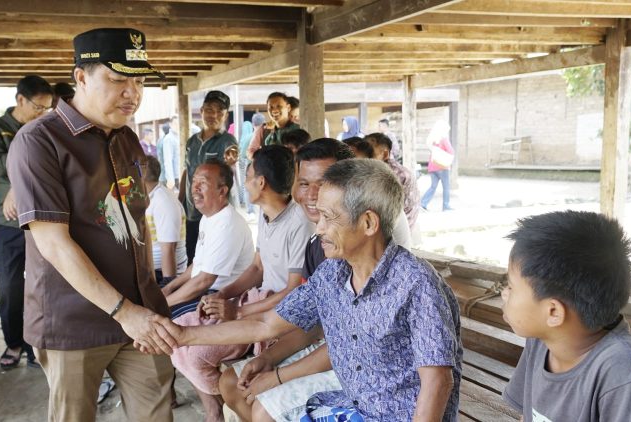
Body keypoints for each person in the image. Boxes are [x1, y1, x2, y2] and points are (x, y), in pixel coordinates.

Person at [149, 158, 461, 421]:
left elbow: (436, 382)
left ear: (368, 223)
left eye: (329, 217)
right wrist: (182, 336)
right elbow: (265, 324)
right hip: (356, 405)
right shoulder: (335, 273)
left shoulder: (417, 284)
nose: (320, 227)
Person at [6, 28, 176, 421]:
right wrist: (124, 311)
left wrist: (144, 308)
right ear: (80, 77)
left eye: (139, 80)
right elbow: (55, 245)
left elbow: (135, 225)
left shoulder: (127, 139)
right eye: (118, 79)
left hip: (142, 318)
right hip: (74, 323)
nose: (132, 93)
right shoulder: (39, 141)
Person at [220, 138, 413, 421]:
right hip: (332, 345)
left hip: (368, 366)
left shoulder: (361, 239)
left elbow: (350, 343)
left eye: (323, 184)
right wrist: (268, 358)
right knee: (232, 384)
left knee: (264, 407)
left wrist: (277, 375)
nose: (312, 195)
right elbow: (312, 322)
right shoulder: (321, 240)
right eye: (304, 183)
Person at [171, 145, 313, 421]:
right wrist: (223, 296)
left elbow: (294, 290)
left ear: (261, 182)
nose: (245, 184)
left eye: (248, 177)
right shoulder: (264, 214)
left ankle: (218, 410)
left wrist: (237, 312)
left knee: (197, 354)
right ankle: (220, 408)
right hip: (257, 300)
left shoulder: (298, 221)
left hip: (279, 312)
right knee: (182, 342)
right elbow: (257, 268)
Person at [501, 211, 631, 421]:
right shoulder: (542, 342)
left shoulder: (626, 378)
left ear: (554, 312)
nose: (504, 293)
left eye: (511, 287)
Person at [0, 74, 53, 369]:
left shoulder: (44, 128)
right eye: (38, 107)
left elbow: (54, 165)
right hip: (6, 223)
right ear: (20, 100)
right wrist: (25, 171)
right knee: (9, 287)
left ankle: (36, 343)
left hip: (40, 219)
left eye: (47, 109)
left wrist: (15, 182)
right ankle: (13, 342)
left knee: (42, 286)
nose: (42, 113)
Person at [162, 158, 254, 320]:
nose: (194, 187)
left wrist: (162, 304)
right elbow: (198, 265)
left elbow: (204, 281)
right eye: (194, 181)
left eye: (202, 183)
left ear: (222, 191)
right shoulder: (209, 217)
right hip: (202, 289)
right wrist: (169, 287)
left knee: (158, 318)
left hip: (219, 297)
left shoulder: (227, 223)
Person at [184, 90, 238, 268]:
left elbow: (232, 163)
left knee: (213, 261)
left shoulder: (227, 141)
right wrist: (180, 202)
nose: (213, 115)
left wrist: (231, 161)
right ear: (201, 111)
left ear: (225, 115)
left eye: (219, 111)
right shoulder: (192, 142)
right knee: (193, 257)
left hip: (215, 213)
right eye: (209, 109)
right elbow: (187, 171)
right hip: (192, 211)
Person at [365, 132, 421, 233]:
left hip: (397, 233)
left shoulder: (393, 174)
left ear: (385, 154)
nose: (365, 157)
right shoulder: (378, 169)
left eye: (370, 153)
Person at [144, 155, 187, 284]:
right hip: (151, 269)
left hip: (160, 273)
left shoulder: (163, 202)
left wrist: (168, 286)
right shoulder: (149, 196)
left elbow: (168, 250)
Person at [421, 121, 455, 211]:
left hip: (433, 166)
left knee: (433, 186)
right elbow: (451, 151)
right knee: (446, 187)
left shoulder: (431, 140)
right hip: (442, 167)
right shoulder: (444, 139)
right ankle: (446, 206)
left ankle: (423, 203)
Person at [163, 116, 181, 190]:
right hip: (176, 176)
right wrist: (170, 179)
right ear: (170, 124)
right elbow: (167, 160)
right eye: (175, 123)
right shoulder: (169, 138)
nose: (177, 126)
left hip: (182, 173)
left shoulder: (179, 136)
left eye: (178, 123)